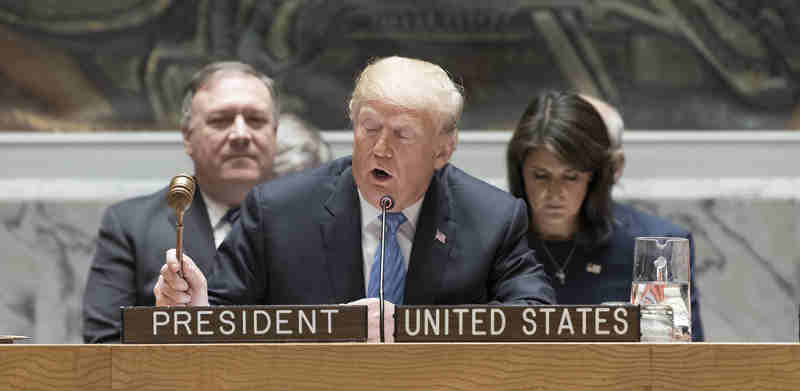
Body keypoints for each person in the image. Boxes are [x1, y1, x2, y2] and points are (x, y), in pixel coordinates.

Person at [154, 56, 555, 342]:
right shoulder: (278, 212)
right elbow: (222, 318)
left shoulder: (492, 217)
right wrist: (196, 311)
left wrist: (412, 329)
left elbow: (535, 315)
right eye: (369, 128)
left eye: (402, 134)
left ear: (443, 150)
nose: (380, 148)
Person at [83, 61, 330, 343]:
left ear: (273, 135)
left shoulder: (315, 224)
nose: (240, 134)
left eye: (256, 120)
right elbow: (103, 348)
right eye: (220, 120)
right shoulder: (131, 226)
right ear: (188, 137)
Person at [506, 91, 704, 341]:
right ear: (520, 172)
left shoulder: (657, 250)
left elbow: (677, 363)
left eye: (571, 177)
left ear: (594, 177)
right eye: (541, 176)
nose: (555, 193)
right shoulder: (495, 242)